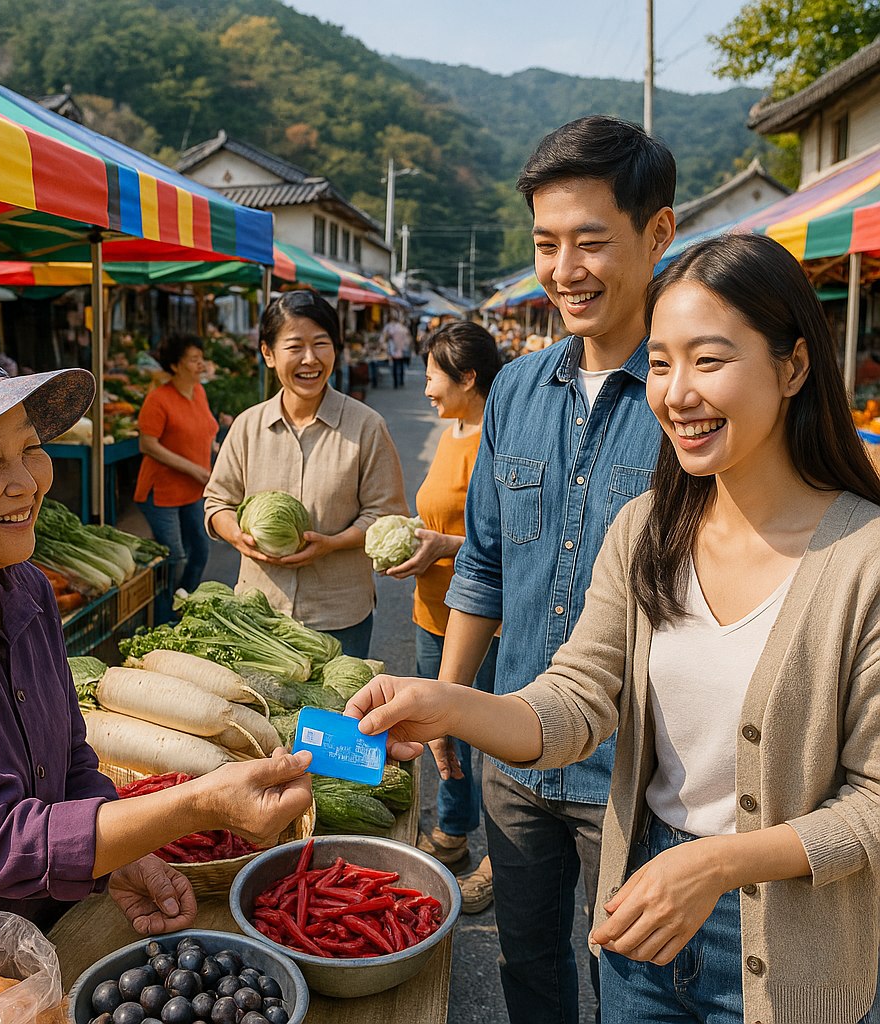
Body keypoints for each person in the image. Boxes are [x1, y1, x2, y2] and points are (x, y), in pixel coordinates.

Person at [347, 232, 880, 1024]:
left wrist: (715, 867)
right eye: (660, 362)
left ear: (793, 366)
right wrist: (448, 703)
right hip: (645, 914)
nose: (675, 392)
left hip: (793, 942)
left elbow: (872, 802)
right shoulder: (645, 529)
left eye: (709, 359)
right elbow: (578, 697)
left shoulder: (863, 560)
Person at [0, 339, 313, 1017]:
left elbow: (70, 756)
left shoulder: (26, 589)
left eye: (29, 449)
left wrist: (117, 851)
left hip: (33, 952)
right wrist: (197, 805)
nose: (30, 481)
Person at [431, 115, 676, 1024]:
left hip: (644, 776)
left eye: (590, 241)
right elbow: (486, 564)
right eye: (545, 243)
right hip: (513, 756)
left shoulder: (688, 399)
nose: (564, 268)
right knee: (530, 972)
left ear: (658, 234)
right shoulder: (516, 391)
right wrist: (452, 700)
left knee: (637, 986)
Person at [204, 289, 407, 658]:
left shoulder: (366, 426)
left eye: (321, 344)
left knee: (335, 712)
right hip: (258, 614)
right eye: (294, 346)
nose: (310, 359)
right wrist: (237, 536)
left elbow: (386, 513)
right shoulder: (248, 426)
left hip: (339, 612)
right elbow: (217, 501)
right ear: (268, 354)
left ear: (336, 348)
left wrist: (333, 543)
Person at [382, 321, 503, 910]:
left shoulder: (499, 440)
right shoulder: (453, 429)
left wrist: (445, 547)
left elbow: (504, 541)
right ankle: (454, 834)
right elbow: (442, 517)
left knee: (497, 740)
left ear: (468, 378)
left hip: (489, 623)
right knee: (441, 733)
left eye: (433, 376)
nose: (425, 386)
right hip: (433, 610)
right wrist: (415, 540)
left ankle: (500, 861)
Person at [134, 334, 219, 598]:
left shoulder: (199, 392)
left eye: (201, 358)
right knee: (175, 557)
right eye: (194, 360)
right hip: (161, 492)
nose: (201, 364)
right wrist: (193, 468)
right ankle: (162, 616)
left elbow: (204, 432)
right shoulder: (158, 399)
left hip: (193, 489)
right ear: (175, 365)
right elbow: (147, 445)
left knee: (201, 550)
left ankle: (185, 602)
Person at [381, 316, 412, 388]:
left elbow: (384, 338)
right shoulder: (403, 328)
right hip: (402, 350)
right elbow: (407, 340)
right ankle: (401, 381)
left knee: (394, 367)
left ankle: (395, 383)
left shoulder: (389, 327)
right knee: (401, 366)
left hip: (393, 350)